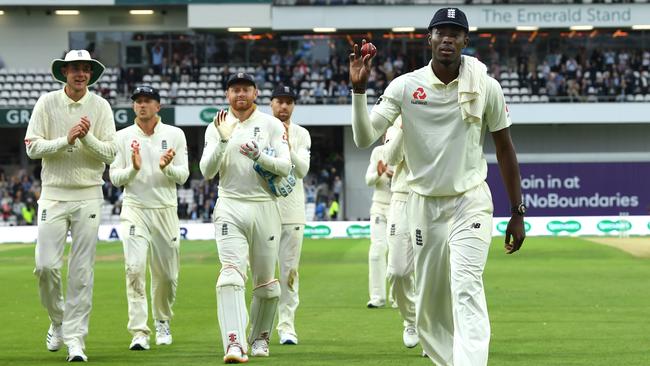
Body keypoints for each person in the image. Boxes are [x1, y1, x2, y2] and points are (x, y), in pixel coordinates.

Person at [349, 8, 526, 366]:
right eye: (440, 32)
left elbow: (505, 148)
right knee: (429, 307)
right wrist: (358, 91)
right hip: (424, 206)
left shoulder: (485, 86)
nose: (447, 38)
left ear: (465, 41)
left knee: (466, 287)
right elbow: (364, 137)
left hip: (470, 202)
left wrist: (517, 211)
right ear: (428, 39)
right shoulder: (405, 86)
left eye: (455, 33)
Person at [25, 49, 116, 362]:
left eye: (86, 69)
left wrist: (86, 138)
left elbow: (111, 153)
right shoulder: (47, 102)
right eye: (75, 68)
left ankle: (76, 340)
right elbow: (33, 147)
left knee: (81, 272)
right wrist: (66, 139)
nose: (81, 74)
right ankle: (58, 320)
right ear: (64, 72)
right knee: (45, 266)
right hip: (53, 193)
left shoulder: (100, 106)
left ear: (91, 74)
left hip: (89, 193)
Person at [200, 73, 292, 363]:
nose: (240, 94)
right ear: (228, 94)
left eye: (246, 89)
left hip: (265, 206)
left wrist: (260, 158)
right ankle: (234, 344)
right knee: (229, 276)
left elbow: (286, 167)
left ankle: (260, 338)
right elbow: (206, 171)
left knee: (267, 284)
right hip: (230, 204)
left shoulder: (272, 124)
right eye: (234, 89)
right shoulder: (217, 125)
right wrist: (223, 141)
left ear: (255, 93)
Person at [109, 86, 189, 351]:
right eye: (138, 101)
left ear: (158, 106)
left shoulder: (175, 134)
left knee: (167, 275)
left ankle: (163, 321)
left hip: (165, 209)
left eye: (147, 101)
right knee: (133, 269)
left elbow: (184, 176)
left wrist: (167, 167)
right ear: (134, 107)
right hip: (135, 209)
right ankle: (139, 331)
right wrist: (133, 168)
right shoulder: (121, 137)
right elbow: (115, 178)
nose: (142, 105)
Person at [269, 85, 312, 345]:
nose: (284, 107)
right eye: (279, 101)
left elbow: (303, 170)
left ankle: (286, 326)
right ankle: (260, 327)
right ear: (271, 104)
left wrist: (287, 144)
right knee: (263, 275)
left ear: (293, 106)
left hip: (292, 211)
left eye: (288, 102)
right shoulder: (260, 129)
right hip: (263, 209)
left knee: (289, 273)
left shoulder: (301, 134)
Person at [383, 119, 418, 348]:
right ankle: (411, 320)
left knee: (432, 271)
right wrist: (406, 126)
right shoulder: (396, 125)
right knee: (397, 271)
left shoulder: (439, 113)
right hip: (402, 198)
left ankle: (432, 329)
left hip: (435, 198)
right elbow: (392, 159)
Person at [365, 140, 392, 308]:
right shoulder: (378, 152)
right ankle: (377, 297)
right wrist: (379, 173)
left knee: (399, 254)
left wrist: (397, 177)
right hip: (379, 206)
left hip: (400, 206)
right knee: (376, 252)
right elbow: (368, 180)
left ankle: (398, 296)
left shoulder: (410, 146)